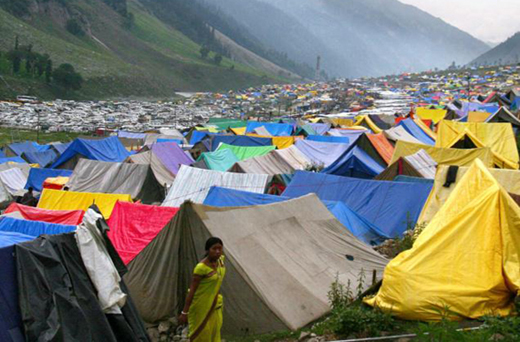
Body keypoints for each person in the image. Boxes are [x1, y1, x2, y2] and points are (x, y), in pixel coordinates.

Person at [179, 237, 225, 341]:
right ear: (208, 250)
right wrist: (184, 312)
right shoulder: (201, 268)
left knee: (214, 333)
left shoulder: (221, 262)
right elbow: (192, 291)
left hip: (215, 305)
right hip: (200, 306)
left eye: (220, 249)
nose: (217, 252)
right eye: (214, 249)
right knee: (201, 334)